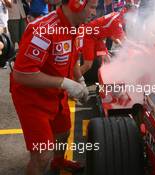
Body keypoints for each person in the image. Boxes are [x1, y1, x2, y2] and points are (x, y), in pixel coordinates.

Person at [10, 0, 97, 174]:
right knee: (42, 155)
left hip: (56, 93)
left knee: (63, 132)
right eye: (92, 7)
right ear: (76, 4)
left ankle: (58, 162)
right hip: (32, 98)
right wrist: (64, 83)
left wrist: (79, 80)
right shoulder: (42, 29)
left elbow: (71, 57)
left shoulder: (77, 27)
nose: (94, 12)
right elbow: (21, 74)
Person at [78, 11, 125, 84]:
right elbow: (121, 41)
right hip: (89, 35)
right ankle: (71, 81)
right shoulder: (117, 21)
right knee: (87, 65)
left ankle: (104, 87)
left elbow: (113, 36)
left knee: (107, 60)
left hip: (97, 38)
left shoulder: (117, 15)